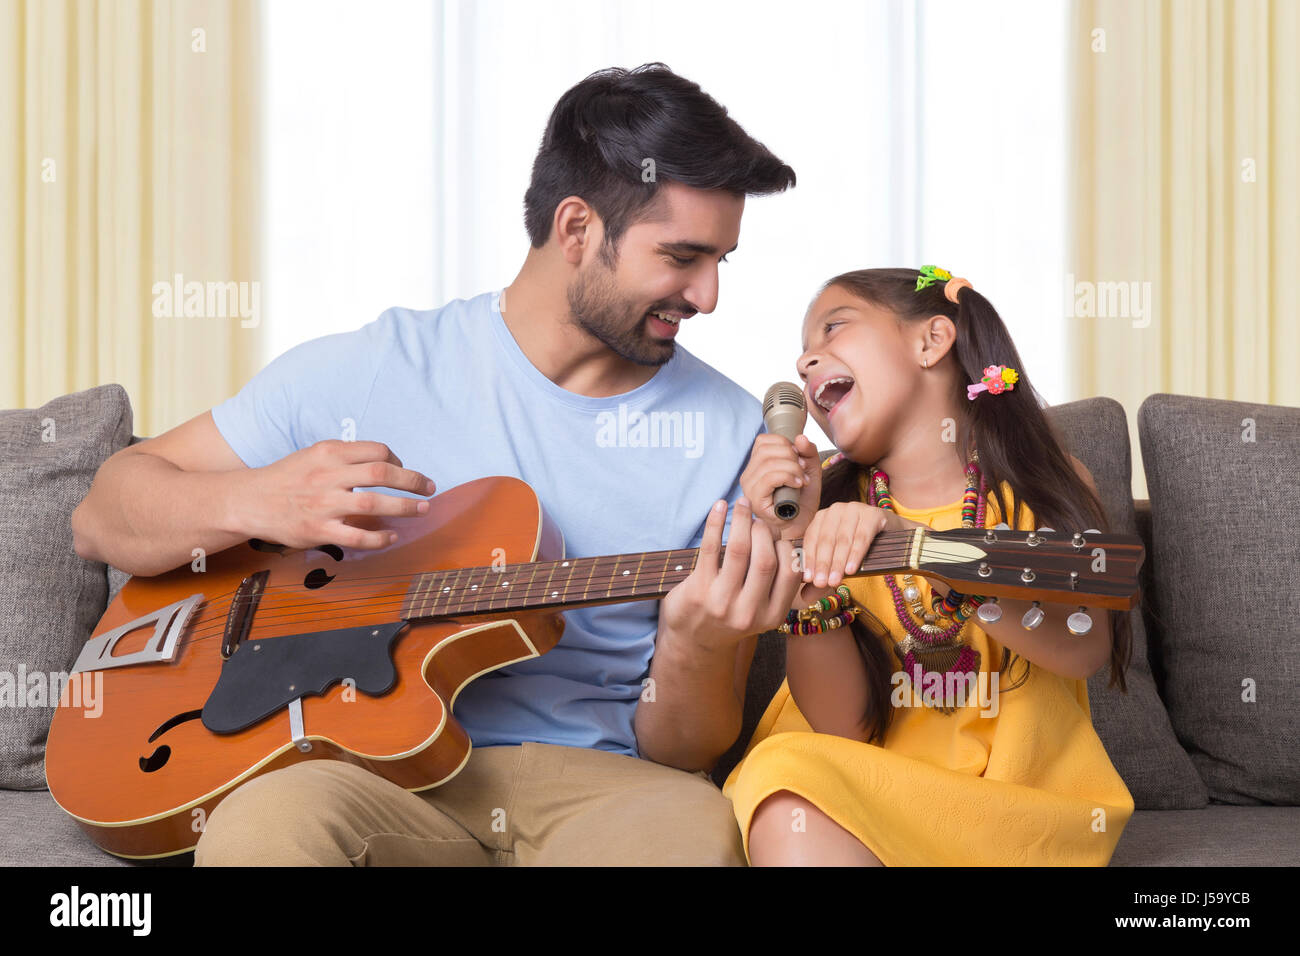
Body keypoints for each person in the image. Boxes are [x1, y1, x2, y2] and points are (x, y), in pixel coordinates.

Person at [70, 63, 803, 866]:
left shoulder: (736, 436)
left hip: (608, 786)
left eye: (720, 263)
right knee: (263, 832)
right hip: (371, 776)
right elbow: (104, 513)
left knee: (691, 845)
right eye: (683, 257)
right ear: (577, 230)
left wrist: (703, 643)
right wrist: (258, 499)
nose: (707, 297)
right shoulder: (376, 367)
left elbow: (683, 747)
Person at [727, 266, 1137, 866]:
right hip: (870, 811)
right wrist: (799, 556)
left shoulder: (1041, 486)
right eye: (802, 352)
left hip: (1015, 816)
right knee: (784, 774)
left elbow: (1082, 644)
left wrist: (925, 549)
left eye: (832, 330)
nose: (805, 364)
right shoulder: (832, 514)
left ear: (931, 340)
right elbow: (843, 729)